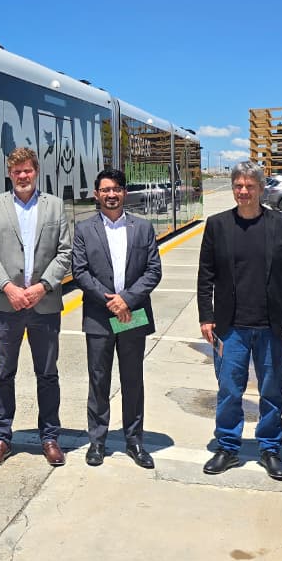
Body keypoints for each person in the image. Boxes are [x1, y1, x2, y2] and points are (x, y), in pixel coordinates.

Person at [196, 161, 282, 480]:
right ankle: (228, 447)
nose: (243, 191)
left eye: (249, 186)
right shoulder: (217, 225)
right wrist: (206, 316)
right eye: (238, 186)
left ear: (261, 189)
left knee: (271, 389)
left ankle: (270, 448)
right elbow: (205, 274)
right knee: (229, 389)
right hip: (230, 327)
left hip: (272, 327)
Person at [0, 147, 73, 467]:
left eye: (27, 170)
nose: (22, 176)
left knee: (47, 374)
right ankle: (2, 438)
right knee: (3, 374)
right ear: (9, 174)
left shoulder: (54, 205)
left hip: (44, 304)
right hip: (7, 305)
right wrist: (8, 287)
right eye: (17, 171)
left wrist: (42, 286)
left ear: (36, 171)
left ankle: (50, 437)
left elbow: (65, 252)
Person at [71, 169, 162, 468]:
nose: (111, 195)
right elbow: (80, 271)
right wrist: (111, 301)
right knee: (99, 379)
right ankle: (97, 441)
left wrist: (127, 300)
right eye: (105, 190)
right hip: (99, 316)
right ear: (96, 194)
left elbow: (153, 271)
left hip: (132, 314)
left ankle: (134, 440)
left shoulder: (143, 228)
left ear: (124, 193)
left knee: (132, 379)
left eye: (116, 189)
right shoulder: (84, 229)